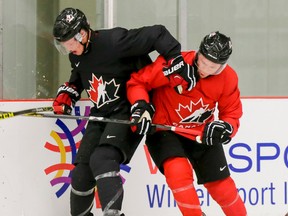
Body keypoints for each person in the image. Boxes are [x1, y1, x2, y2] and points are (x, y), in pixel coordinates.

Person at [52, 7, 186, 216]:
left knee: (102, 159)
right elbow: (80, 74)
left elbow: (157, 33)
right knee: (81, 174)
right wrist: (69, 93)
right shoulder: (76, 54)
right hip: (101, 113)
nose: (69, 49)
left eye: (70, 43)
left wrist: (175, 60)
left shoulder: (114, 42)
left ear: (83, 33)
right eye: (64, 46)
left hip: (130, 110)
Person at [127, 31, 247, 216]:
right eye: (203, 62)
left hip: (201, 132)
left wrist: (226, 128)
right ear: (198, 53)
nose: (205, 69)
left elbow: (231, 113)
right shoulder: (175, 63)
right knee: (177, 172)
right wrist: (141, 106)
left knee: (223, 188)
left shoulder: (228, 78)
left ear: (222, 66)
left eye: (213, 67)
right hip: (164, 129)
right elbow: (137, 82)